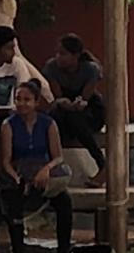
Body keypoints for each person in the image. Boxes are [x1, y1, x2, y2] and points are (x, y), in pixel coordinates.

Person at [0, 80, 73, 253]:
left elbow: (58, 156)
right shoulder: (8, 125)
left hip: (45, 175)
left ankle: (63, 251)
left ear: (36, 102)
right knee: (12, 200)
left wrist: (46, 169)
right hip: (21, 174)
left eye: (27, 99)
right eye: (18, 99)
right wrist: (16, 177)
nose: (22, 104)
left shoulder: (48, 124)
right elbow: (6, 161)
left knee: (64, 202)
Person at [42, 34, 107, 187]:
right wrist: (62, 102)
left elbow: (85, 98)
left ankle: (102, 165)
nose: (59, 57)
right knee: (51, 119)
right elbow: (57, 94)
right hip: (64, 112)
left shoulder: (90, 69)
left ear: (76, 56)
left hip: (89, 112)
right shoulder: (52, 68)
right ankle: (46, 168)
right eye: (57, 53)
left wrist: (77, 104)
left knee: (75, 118)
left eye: (63, 54)